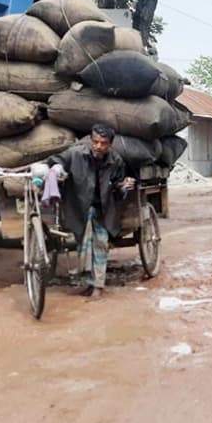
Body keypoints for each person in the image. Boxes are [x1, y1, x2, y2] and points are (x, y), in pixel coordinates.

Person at [48, 123, 135, 299]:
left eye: (103, 143)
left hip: (103, 209)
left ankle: (98, 286)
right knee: (82, 246)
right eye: (95, 142)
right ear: (90, 140)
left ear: (110, 144)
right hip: (79, 208)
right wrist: (56, 169)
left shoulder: (115, 160)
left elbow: (118, 186)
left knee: (101, 245)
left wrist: (124, 185)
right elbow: (56, 160)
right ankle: (87, 283)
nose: (98, 146)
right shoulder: (75, 154)